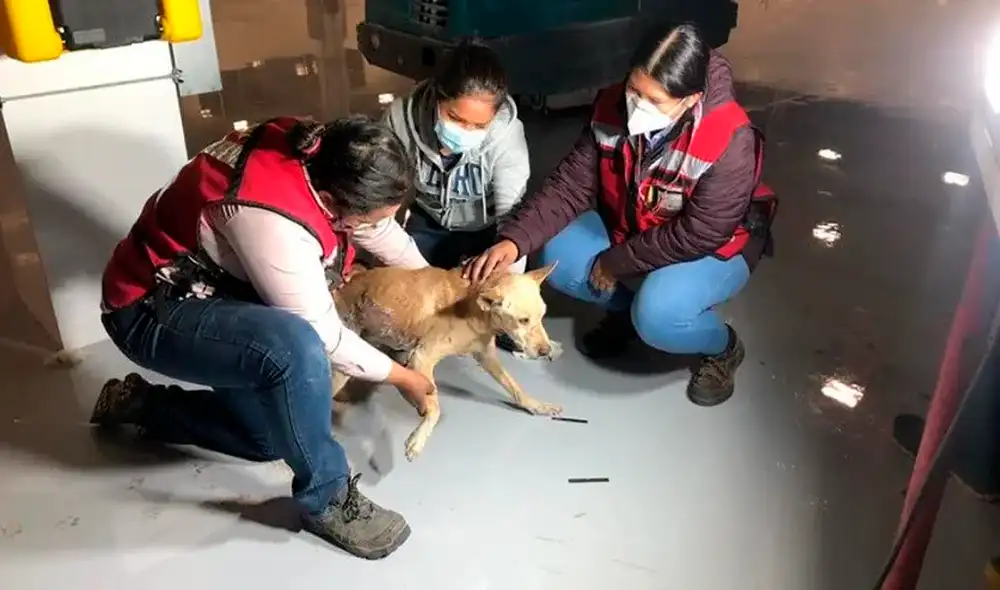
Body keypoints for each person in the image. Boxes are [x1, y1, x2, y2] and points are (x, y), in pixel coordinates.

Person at [92, 115, 433, 559]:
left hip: (215, 289)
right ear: (333, 202)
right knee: (297, 348)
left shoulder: (323, 152)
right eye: (368, 216)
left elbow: (377, 226)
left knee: (269, 438)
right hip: (148, 307)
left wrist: (435, 282)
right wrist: (403, 376)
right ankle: (328, 501)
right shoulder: (269, 217)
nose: (377, 223)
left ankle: (141, 404)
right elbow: (325, 336)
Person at [464, 24, 776, 407]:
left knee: (660, 315)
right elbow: (569, 186)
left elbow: (701, 232)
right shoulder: (611, 106)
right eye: (634, 89)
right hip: (640, 225)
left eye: (654, 100)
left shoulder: (729, 136)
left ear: (691, 99)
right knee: (558, 253)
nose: (637, 105)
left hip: (713, 248)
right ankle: (629, 315)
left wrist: (616, 262)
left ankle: (722, 347)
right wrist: (514, 241)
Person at [383, 39, 530, 273]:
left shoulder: (507, 135)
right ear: (436, 97)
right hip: (428, 221)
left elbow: (512, 214)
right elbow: (377, 197)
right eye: (455, 118)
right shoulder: (399, 121)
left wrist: (509, 271)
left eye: (480, 125)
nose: (465, 131)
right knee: (412, 285)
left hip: (485, 228)